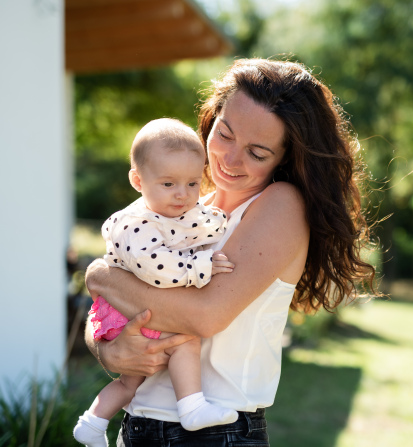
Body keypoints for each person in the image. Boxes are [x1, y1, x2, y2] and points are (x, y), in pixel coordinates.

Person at [84, 58, 378, 446]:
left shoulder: (281, 205)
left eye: (257, 153)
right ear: (211, 119)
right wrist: (105, 347)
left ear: (285, 158)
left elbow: (205, 315)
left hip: (215, 433)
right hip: (138, 422)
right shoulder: (187, 207)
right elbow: (115, 306)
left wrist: (100, 277)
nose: (230, 158)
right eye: (225, 133)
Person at [74, 118, 238, 447]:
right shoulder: (135, 224)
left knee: (128, 383)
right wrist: (200, 265)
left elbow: (206, 224)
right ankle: (192, 407)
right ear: (138, 180)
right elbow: (156, 269)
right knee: (185, 340)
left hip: (135, 309)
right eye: (168, 184)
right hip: (128, 312)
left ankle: (91, 423)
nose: (183, 194)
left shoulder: (175, 212)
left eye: (193, 183)